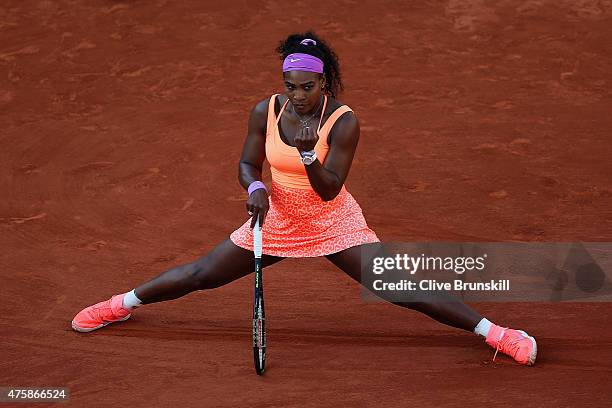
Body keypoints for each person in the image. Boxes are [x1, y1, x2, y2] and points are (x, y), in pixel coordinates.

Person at [72, 32, 537, 366]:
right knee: (201, 274)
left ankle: (496, 333)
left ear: (324, 86)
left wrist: (309, 151)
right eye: (290, 86)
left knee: (398, 287)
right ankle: (121, 304)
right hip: (276, 221)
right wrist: (255, 188)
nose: (297, 97)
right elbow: (247, 164)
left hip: (332, 219)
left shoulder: (345, 122)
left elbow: (330, 187)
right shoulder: (266, 109)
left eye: (307, 88)